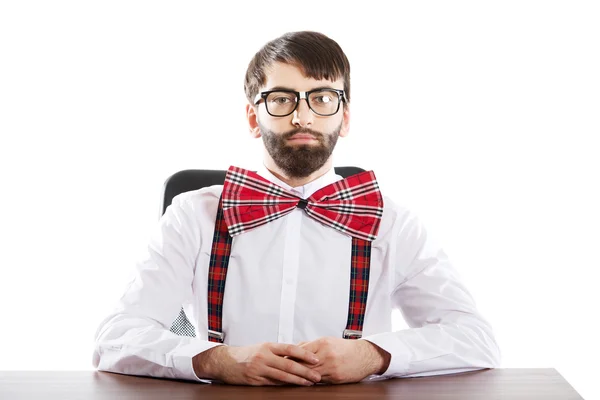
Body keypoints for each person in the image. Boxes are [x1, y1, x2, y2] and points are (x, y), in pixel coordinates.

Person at [93, 31, 501, 386]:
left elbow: (474, 339)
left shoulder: (392, 223)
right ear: (254, 118)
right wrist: (218, 360)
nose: (303, 116)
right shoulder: (192, 215)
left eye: (322, 98)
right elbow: (115, 338)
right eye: (282, 98)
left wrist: (374, 355)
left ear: (344, 118)